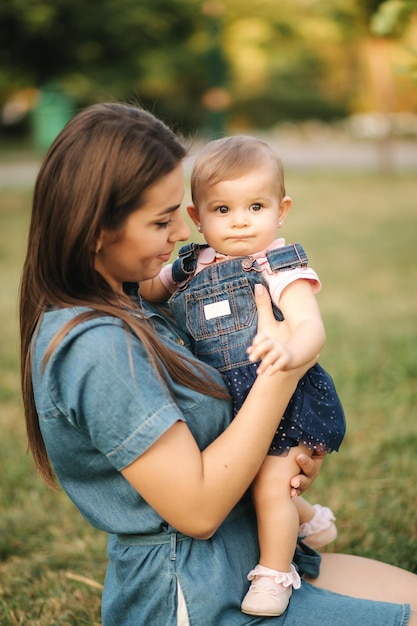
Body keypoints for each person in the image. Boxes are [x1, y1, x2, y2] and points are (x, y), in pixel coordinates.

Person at [19, 102, 416, 626]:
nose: (183, 234)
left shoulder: (136, 301)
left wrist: (284, 452)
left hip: (247, 553)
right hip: (196, 593)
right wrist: (283, 375)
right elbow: (198, 512)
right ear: (97, 230)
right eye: (163, 221)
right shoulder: (95, 347)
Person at [139, 135, 345, 616]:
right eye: (222, 209)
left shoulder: (278, 264)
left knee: (271, 483)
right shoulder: (189, 265)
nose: (241, 220)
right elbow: (149, 289)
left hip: (288, 401)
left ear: (282, 209)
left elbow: (311, 327)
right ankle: (311, 520)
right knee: (249, 480)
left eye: (256, 206)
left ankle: (274, 575)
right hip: (233, 407)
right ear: (196, 218)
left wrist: (288, 349)